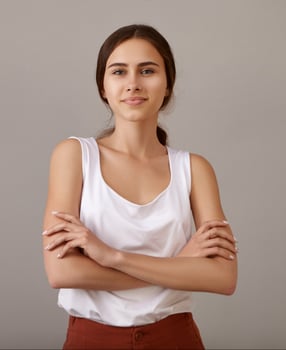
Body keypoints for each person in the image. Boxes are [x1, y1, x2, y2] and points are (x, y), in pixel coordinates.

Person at [42, 24, 238, 350]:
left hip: (176, 339)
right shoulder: (74, 155)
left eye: (147, 70)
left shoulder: (194, 169)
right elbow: (61, 272)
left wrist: (111, 256)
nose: (133, 84)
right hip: (92, 340)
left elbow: (224, 278)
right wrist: (179, 266)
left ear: (167, 85)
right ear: (103, 87)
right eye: (119, 71)